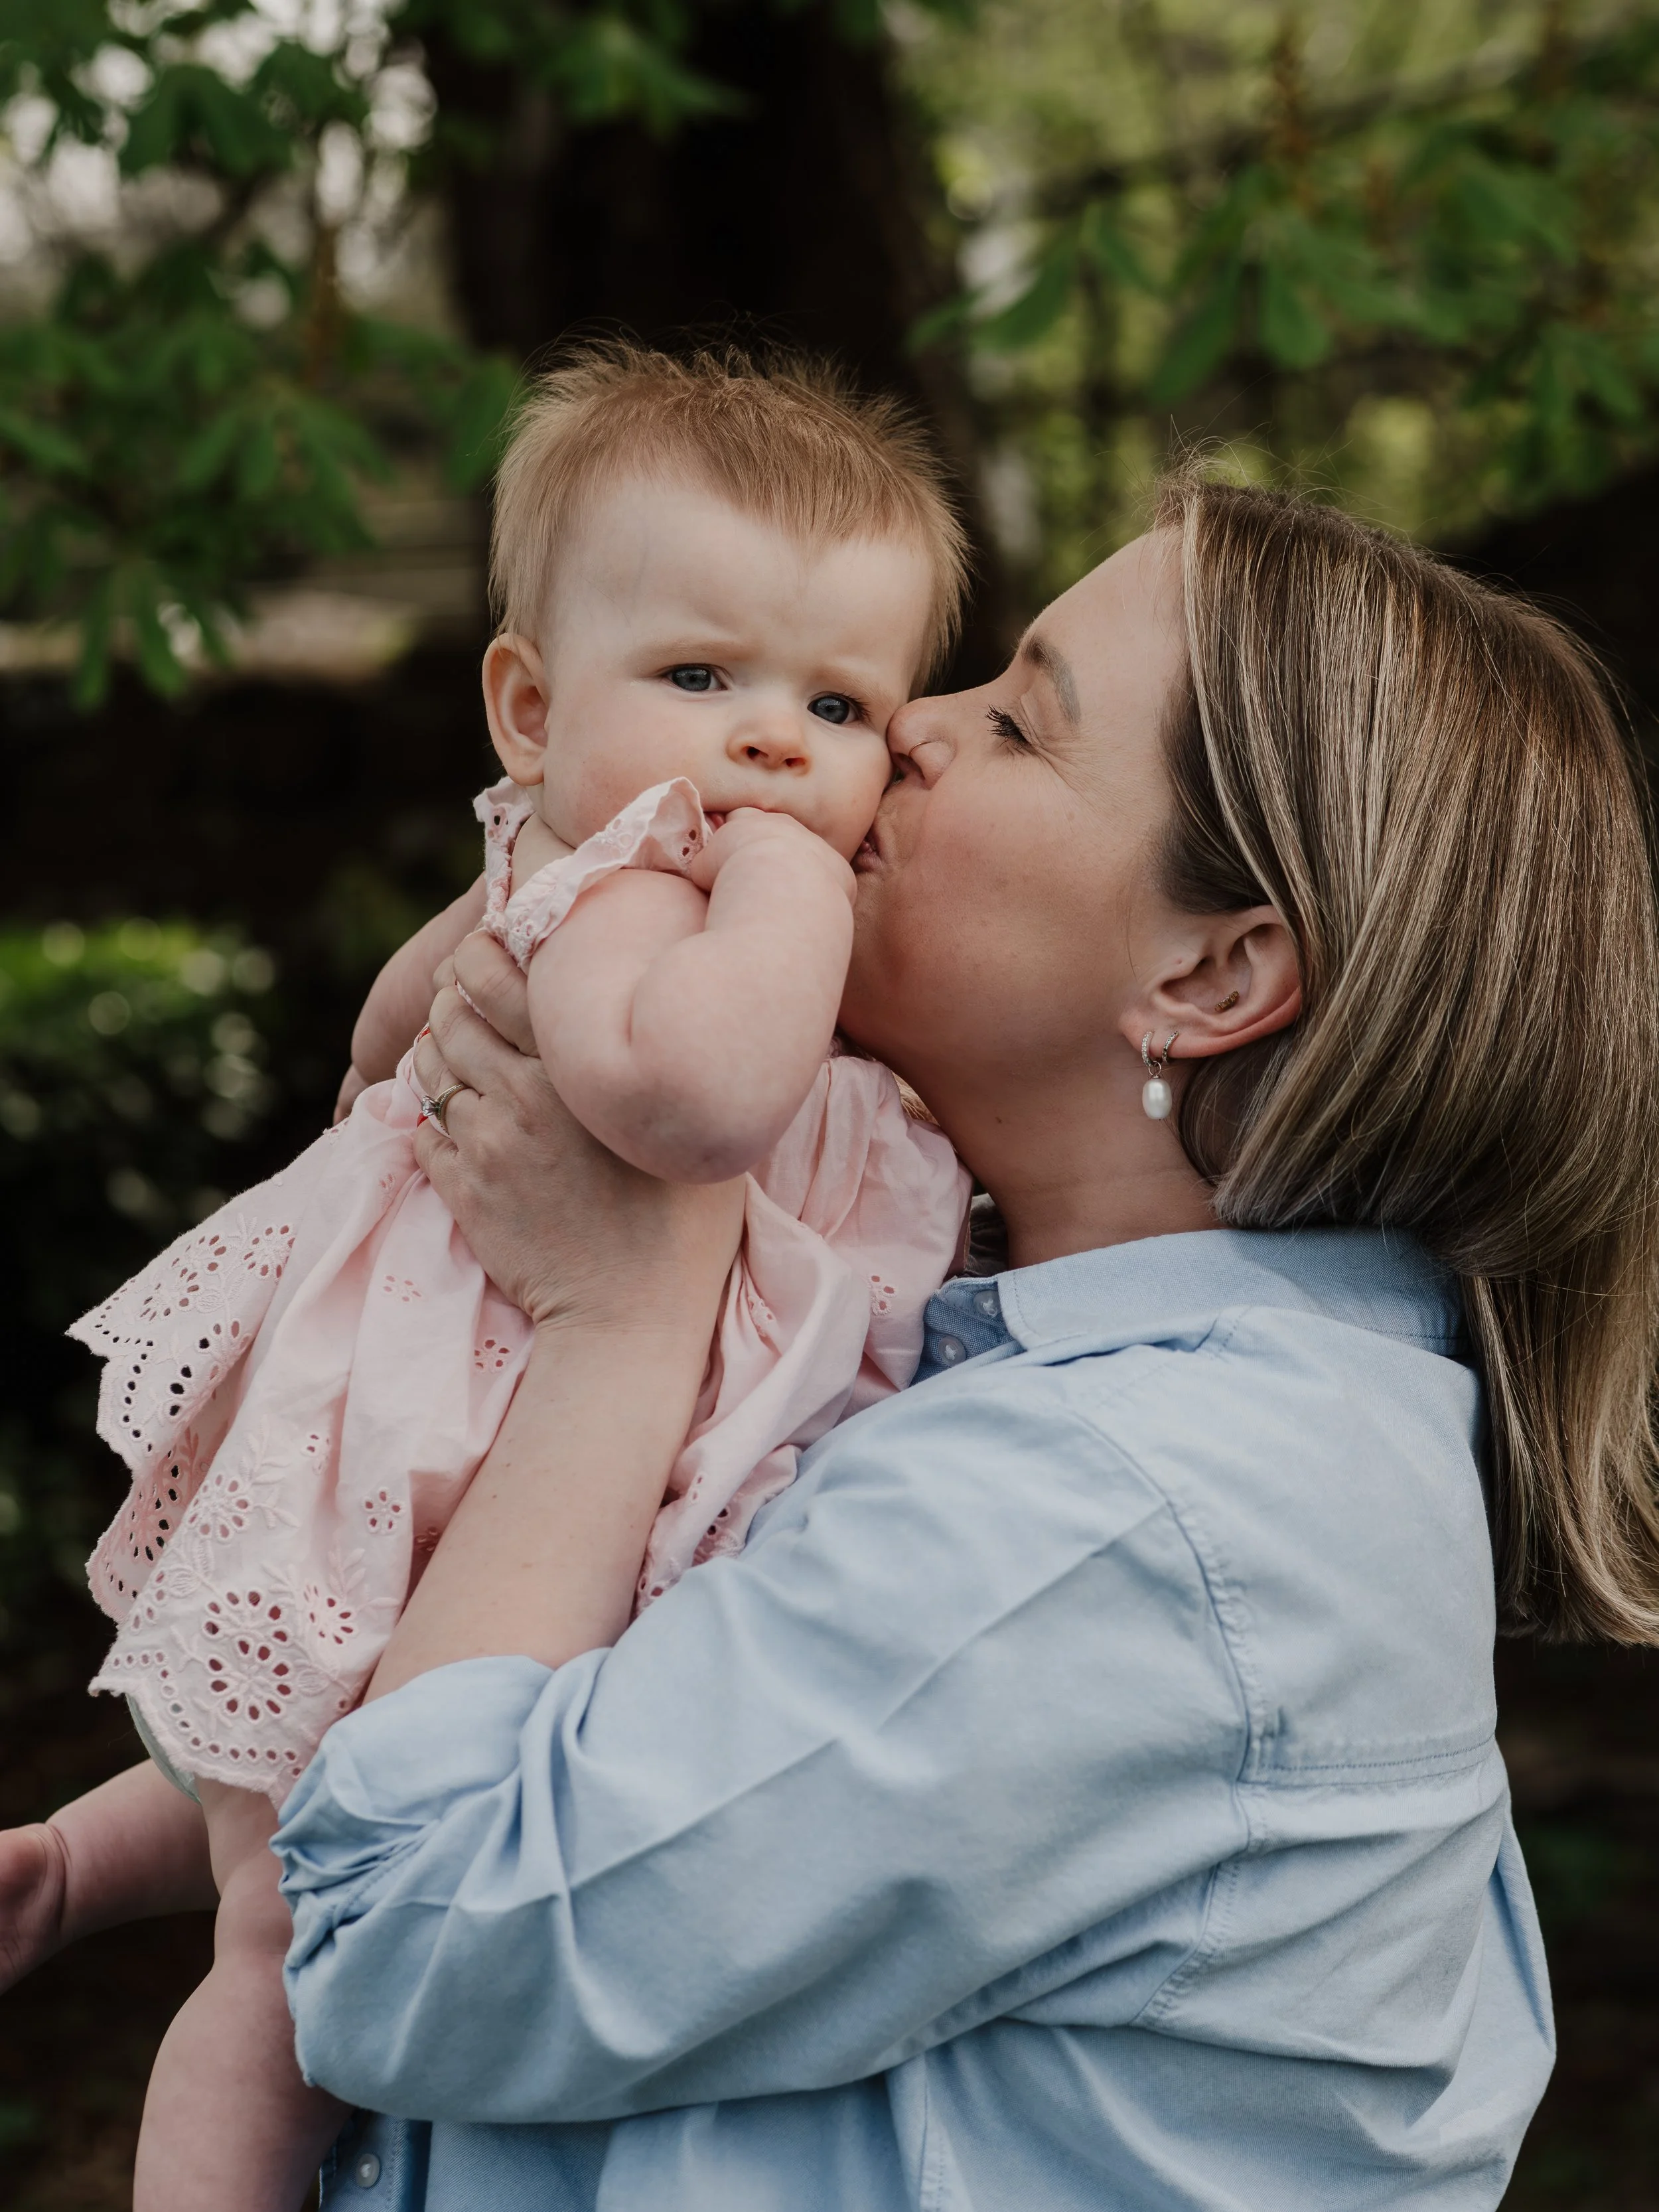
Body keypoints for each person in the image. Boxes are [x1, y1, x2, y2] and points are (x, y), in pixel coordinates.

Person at [274, 473, 1659, 2209]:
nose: (894, 727)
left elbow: (404, 1940)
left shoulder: (1122, 1512)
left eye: (1013, 718)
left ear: (1214, 979)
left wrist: (616, 1327)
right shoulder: (1030, 1346)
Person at [0, 346, 971, 2212]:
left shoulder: (550, 846)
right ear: (528, 704)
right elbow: (681, 1099)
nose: (771, 738)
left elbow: (390, 1025)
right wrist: (803, 900)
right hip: (505, 1394)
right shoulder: (659, 882)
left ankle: (75, 1856)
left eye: (838, 701)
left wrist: (381, 1105)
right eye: (701, 675)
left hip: (496, 1389)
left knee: (333, 1711)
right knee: (294, 1932)